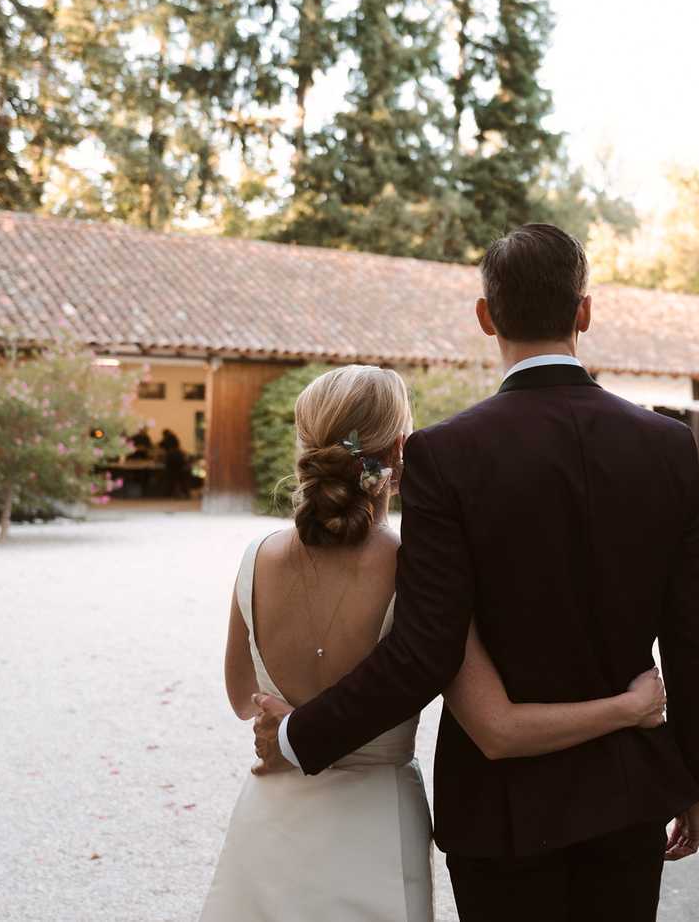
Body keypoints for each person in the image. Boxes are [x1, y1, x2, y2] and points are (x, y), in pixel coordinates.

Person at [250, 223, 699, 922]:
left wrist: (298, 734)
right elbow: (695, 634)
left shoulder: (445, 455)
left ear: (485, 316)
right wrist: (693, 773)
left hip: (502, 814)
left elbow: (425, 650)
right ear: (584, 312)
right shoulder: (667, 447)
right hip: (628, 791)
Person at [201, 365, 669, 922]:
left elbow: (240, 697)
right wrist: (629, 707)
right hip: (373, 830)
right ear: (400, 451)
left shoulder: (255, 559)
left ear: (305, 447)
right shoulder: (416, 570)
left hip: (270, 823)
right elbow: (497, 726)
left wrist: (291, 724)